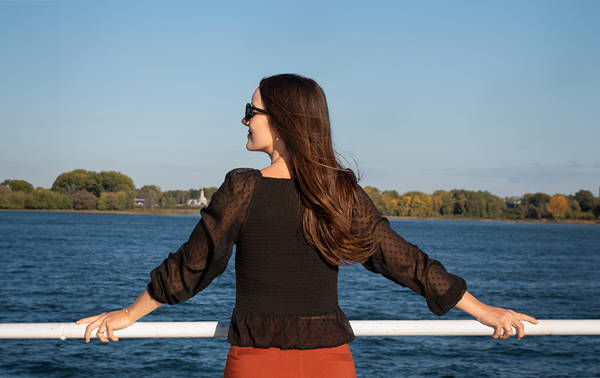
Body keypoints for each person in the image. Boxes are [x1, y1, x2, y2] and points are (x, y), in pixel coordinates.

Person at [76, 73, 538, 377]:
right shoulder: (337, 190)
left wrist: (128, 314)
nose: (244, 120)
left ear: (281, 121)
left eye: (251, 111)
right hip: (331, 363)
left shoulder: (243, 187)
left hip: (256, 362)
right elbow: (404, 261)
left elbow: (195, 265)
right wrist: (484, 311)